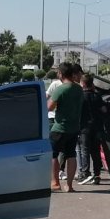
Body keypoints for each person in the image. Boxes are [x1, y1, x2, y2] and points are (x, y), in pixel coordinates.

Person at [48, 62, 83, 192]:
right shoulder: (79, 89)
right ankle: (69, 185)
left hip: (59, 128)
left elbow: (49, 107)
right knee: (71, 155)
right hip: (74, 127)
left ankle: (55, 182)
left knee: (53, 155)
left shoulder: (60, 89)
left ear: (60, 74)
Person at [77, 73, 104, 185]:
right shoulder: (97, 96)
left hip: (84, 127)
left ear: (83, 83)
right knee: (96, 151)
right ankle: (97, 174)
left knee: (85, 150)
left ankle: (85, 172)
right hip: (97, 127)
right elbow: (103, 110)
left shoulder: (80, 96)